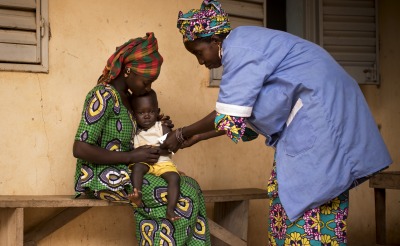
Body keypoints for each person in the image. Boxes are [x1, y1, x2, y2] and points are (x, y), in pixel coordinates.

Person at [161, 1, 393, 245]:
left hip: (322, 120)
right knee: (289, 196)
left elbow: (228, 113)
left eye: (199, 52)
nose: (200, 61)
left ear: (215, 41)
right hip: (316, 119)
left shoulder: (239, 47)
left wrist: (181, 134)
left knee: (309, 204)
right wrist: (197, 137)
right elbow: (247, 114)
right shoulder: (248, 45)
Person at [73, 32, 210, 245]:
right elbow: (79, 148)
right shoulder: (102, 95)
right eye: (147, 82)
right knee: (176, 196)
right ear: (128, 71)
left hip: (132, 168)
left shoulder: (129, 100)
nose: (148, 88)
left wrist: (158, 126)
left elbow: (135, 138)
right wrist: (131, 156)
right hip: (103, 175)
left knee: (191, 186)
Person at [128, 89, 181, 221]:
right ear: (134, 115)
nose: (146, 116)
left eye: (151, 112)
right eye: (141, 113)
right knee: (137, 168)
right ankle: (137, 194)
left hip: (163, 163)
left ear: (157, 112)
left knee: (174, 177)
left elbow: (170, 148)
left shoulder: (161, 128)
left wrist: (154, 151)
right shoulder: (134, 131)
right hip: (144, 163)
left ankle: (170, 209)